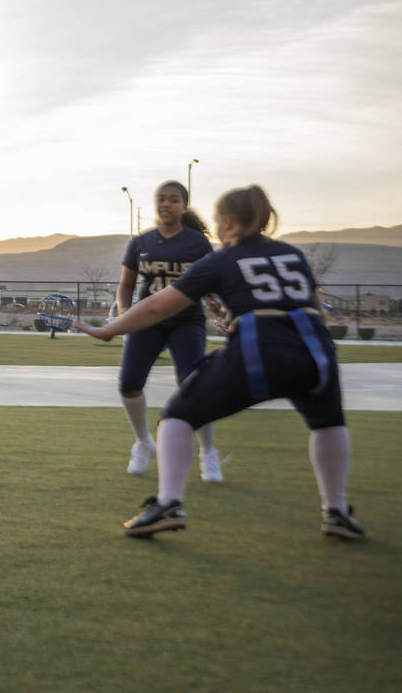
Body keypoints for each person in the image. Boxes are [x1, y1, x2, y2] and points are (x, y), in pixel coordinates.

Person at [75, 185, 364, 541]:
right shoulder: (292, 254)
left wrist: (107, 330)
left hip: (261, 349)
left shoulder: (222, 258)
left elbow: (154, 306)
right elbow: (314, 311)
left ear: (227, 221)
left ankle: (169, 504)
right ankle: (336, 511)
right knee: (328, 424)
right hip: (315, 350)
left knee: (177, 416)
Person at [114, 180, 225, 483]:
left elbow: (210, 282)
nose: (166, 204)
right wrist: (126, 316)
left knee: (193, 385)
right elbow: (125, 286)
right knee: (128, 383)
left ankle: (208, 452)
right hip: (146, 319)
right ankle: (144, 442)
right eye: (161, 199)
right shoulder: (141, 242)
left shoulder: (197, 243)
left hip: (185, 320)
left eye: (173, 199)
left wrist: (217, 305)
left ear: (183, 205)